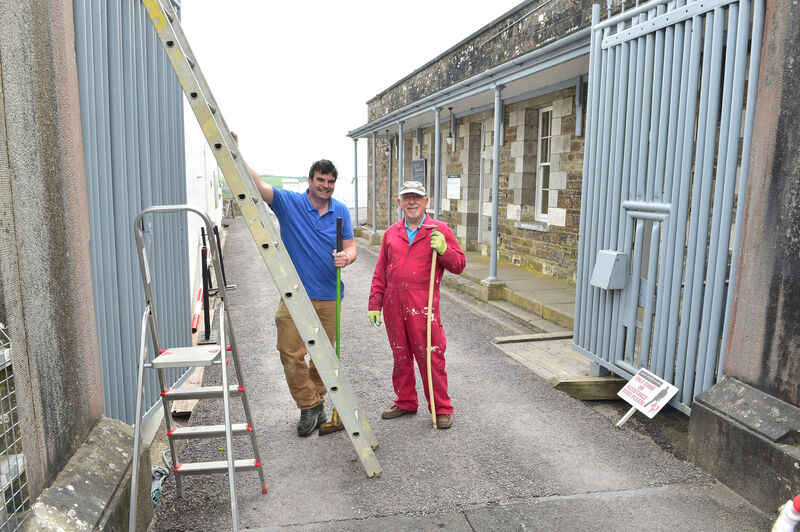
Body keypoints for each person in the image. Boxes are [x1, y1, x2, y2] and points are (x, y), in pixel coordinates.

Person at [236, 133, 357, 437]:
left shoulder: (340, 210)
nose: (325, 186)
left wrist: (348, 257)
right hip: (295, 294)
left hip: (330, 295)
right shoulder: (290, 204)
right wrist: (236, 152)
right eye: (321, 179)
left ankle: (315, 402)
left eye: (330, 181)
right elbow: (260, 188)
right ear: (310, 180)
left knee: (324, 356)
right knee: (289, 351)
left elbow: (351, 246)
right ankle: (308, 404)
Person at [368, 181, 465, 429]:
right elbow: (381, 272)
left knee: (431, 356)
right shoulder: (391, 233)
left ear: (426, 202)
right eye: (406, 198)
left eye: (417, 198)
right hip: (393, 305)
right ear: (399, 203)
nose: (412, 202)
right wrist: (374, 304)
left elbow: (459, 265)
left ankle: (441, 408)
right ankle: (406, 401)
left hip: (423, 307)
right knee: (400, 355)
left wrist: (444, 250)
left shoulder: (438, 229)